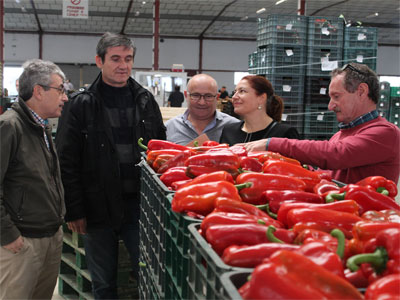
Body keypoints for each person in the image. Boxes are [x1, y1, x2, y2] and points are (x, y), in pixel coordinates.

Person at [55, 32, 166, 299]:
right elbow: (66, 161)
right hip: (97, 208)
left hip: (140, 205)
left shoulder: (145, 100)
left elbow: (161, 151)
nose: (123, 65)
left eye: (128, 59)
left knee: (149, 274)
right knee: (104, 282)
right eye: (115, 58)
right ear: (99, 61)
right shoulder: (81, 104)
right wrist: (74, 209)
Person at [241, 63, 400, 184]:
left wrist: (272, 144)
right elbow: (324, 177)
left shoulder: (385, 133)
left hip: (370, 223)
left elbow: (336, 154)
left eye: (336, 96)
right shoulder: (340, 134)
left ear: (362, 91)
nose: (331, 106)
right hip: (344, 218)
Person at [0, 59, 67, 299]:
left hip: (49, 236)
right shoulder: (10, 126)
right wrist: (7, 234)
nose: (65, 97)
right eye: (60, 89)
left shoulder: (42, 127)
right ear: (39, 91)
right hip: (21, 242)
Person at [220, 75, 300, 145]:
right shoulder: (229, 131)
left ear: (261, 98)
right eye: (235, 92)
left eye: (242, 91)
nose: (234, 97)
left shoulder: (284, 133)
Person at [165, 74, 240, 145]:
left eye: (208, 96)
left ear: (217, 97)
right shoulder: (168, 128)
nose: (202, 102)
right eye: (195, 95)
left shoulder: (236, 127)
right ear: (186, 95)